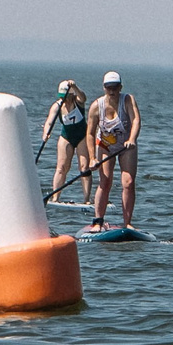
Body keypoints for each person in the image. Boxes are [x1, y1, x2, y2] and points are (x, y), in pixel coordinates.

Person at [86, 71, 141, 229]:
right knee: (105, 181)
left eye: (115, 87)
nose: (112, 91)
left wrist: (132, 139)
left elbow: (136, 119)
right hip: (105, 145)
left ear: (120, 87)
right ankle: (98, 221)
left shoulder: (128, 100)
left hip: (126, 146)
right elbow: (89, 133)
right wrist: (92, 158)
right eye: (109, 87)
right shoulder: (97, 106)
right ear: (104, 88)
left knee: (128, 182)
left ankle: (127, 223)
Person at [40, 80, 89, 206]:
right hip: (66, 137)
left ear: (72, 95)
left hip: (82, 136)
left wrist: (75, 87)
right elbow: (49, 122)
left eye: (67, 96)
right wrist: (46, 133)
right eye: (62, 97)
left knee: (84, 168)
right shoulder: (57, 106)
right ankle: (55, 197)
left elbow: (83, 97)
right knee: (61, 168)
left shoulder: (78, 102)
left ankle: (87, 199)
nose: (65, 100)